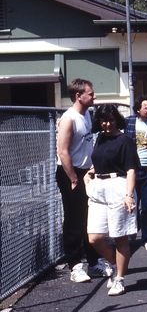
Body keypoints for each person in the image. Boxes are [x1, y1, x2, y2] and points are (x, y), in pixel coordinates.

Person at [55, 78, 113, 283]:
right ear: (79, 96)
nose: (94, 96)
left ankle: (94, 263)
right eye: (90, 93)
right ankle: (75, 266)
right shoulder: (69, 119)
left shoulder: (87, 115)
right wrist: (73, 179)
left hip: (87, 173)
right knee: (74, 219)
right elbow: (63, 152)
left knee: (91, 218)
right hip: (70, 173)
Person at [84, 104, 138, 296]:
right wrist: (90, 173)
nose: (108, 124)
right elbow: (99, 161)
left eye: (111, 120)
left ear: (117, 120)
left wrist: (128, 195)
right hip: (99, 187)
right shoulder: (99, 139)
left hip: (119, 187)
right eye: (104, 120)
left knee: (119, 235)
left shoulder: (125, 140)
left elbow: (131, 168)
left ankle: (120, 279)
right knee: (95, 237)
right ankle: (116, 264)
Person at [126, 96, 147, 251]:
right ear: (138, 109)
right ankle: (130, 233)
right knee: (130, 204)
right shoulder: (129, 123)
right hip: (131, 170)